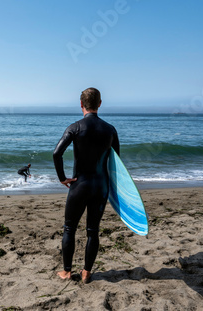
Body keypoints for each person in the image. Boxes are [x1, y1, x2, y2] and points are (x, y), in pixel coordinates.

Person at [53, 88, 119, 283]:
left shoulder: (75, 127)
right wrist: (114, 189)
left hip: (79, 185)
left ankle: (66, 272)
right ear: (100, 104)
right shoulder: (110, 130)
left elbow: (57, 153)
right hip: (101, 186)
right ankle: (86, 272)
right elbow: (117, 164)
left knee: (69, 229)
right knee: (93, 231)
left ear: (81, 104)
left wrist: (62, 178)